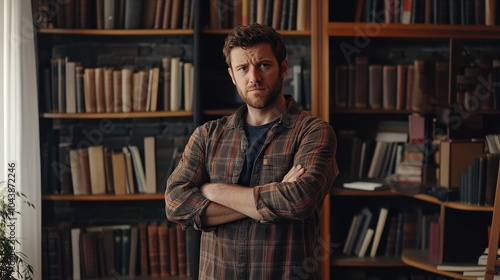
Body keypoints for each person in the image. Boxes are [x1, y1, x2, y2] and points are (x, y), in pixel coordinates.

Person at [165, 23, 338, 280]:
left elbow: (299, 200)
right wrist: (276, 191)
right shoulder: (207, 135)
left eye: (264, 65)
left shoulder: (313, 132)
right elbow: (176, 204)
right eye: (243, 69)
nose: (254, 78)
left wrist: (214, 191)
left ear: (283, 68)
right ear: (232, 76)